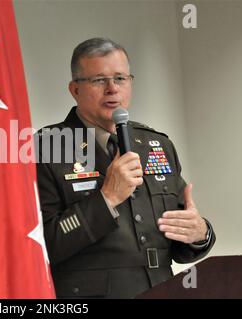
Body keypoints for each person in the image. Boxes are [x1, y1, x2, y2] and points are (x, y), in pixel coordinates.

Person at [35, 37, 215, 299]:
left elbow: (178, 243)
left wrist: (199, 233)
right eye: (99, 80)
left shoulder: (156, 144)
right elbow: (41, 245)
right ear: (75, 90)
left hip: (162, 289)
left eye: (120, 78)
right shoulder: (48, 148)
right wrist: (107, 198)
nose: (112, 89)